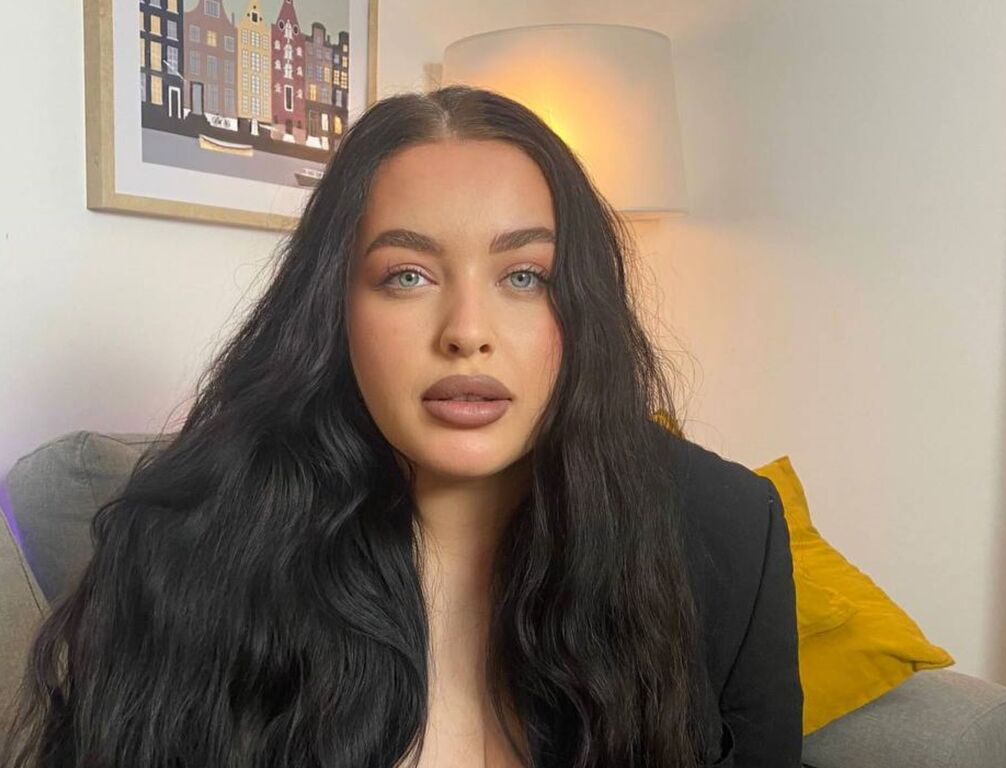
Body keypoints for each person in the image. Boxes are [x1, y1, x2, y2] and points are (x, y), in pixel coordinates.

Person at [1, 85, 802, 767]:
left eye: (525, 276)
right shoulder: (182, 549)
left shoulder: (728, 531)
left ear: (580, 306)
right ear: (334, 310)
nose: (467, 331)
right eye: (407, 275)